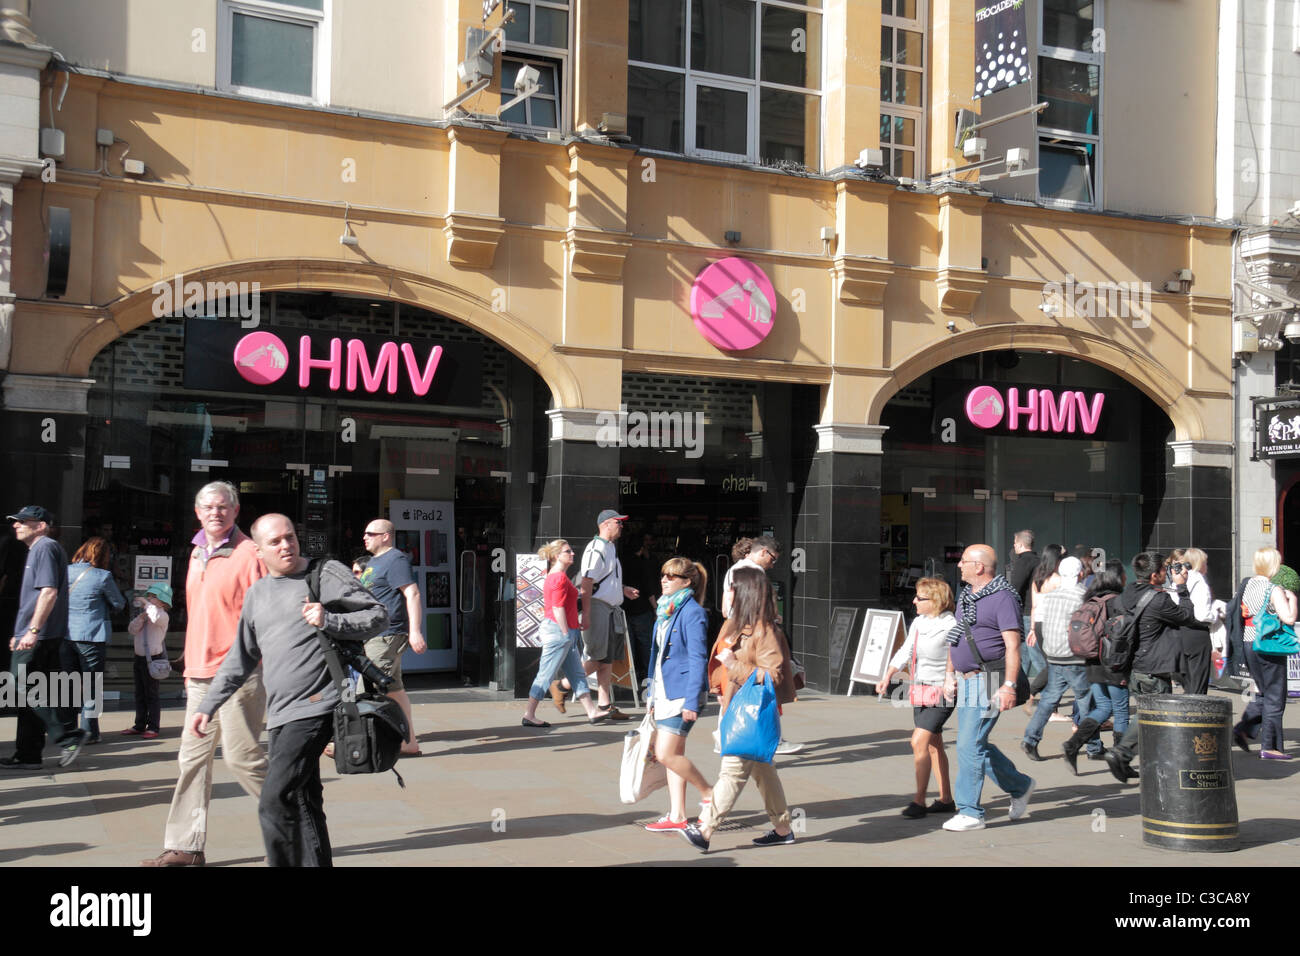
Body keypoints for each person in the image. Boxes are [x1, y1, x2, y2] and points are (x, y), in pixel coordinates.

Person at [189, 514, 390, 866]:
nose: (286, 545)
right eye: (275, 542)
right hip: (281, 714)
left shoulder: (322, 574)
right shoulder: (257, 594)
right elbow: (240, 659)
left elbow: (378, 615)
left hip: (318, 705)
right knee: (303, 800)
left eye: (290, 537)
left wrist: (331, 620)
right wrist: (208, 705)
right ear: (258, 551)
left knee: (274, 797)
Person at [142, 481, 267, 867]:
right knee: (191, 761)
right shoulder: (197, 552)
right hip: (199, 673)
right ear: (198, 513)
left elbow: (265, 616)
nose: (216, 512)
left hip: (238, 674)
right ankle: (185, 847)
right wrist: (188, 662)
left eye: (223, 506)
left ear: (236, 511)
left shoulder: (250, 554)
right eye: (208, 507)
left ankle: (297, 822)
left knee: (243, 759)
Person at [681, 566, 795, 852]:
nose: (728, 592)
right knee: (764, 772)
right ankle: (783, 829)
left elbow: (774, 675)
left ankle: (705, 829)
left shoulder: (764, 630)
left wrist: (735, 665)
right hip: (736, 707)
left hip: (752, 713)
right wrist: (720, 688)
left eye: (732, 588)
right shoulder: (736, 624)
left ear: (746, 592)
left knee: (731, 771)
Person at [941, 544, 1035, 832]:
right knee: (974, 743)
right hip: (968, 678)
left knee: (969, 743)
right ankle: (1019, 785)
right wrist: (949, 674)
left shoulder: (1003, 597)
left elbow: (1012, 646)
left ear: (979, 567)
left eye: (964, 561)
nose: (959, 565)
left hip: (989, 678)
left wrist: (1008, 684)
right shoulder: (968, 595)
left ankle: (970, 812)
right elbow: (956, 637)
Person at [1, 505, 86, 770]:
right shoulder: (39, 549)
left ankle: (68, 736)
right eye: (15, 521)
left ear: (41, 525)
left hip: (40, 634)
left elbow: (48, 592)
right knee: (32, 691)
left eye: (23, 521)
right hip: (43, 633)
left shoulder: (44, 547)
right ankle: (29, 754)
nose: (16, 525)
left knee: (20, 685)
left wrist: (31, 631)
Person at [1103, 551, 1199, 783]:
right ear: (1155, 574)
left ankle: (1131, 761)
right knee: (1153, 716)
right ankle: (1124, 753)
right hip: (1154, 667)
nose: (1167, 575)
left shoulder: (1127, 595)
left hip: (1135, 665)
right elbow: (1186, 615)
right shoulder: (1158, 599)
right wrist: (1182, 587)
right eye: (1163, 572)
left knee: (1148, 715)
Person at [875, 576, 957, 818]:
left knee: (918, 741)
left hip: (943, 691)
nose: (914, 601)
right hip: (921, 688)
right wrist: (888, 675)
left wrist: (951, 679)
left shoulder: (951, 625)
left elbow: (958, 658)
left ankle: (919, 801)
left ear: (936, 601)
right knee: (934, 744)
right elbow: (906, 650)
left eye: (920, 598)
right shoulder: (919, 623)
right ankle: (946, 799)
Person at [643, 556, 713, 833]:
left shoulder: (692, 612)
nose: (664, 580)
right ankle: (678, 815)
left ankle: (709, 794)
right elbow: (658, 655)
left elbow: (698, 658)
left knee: (665, 754)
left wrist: (691, 700)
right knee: (675, 755)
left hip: (681, 694)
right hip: (663, 691)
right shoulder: (665, 610)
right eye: (663, 575)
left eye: (671, 577)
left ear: (687, 582)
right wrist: (650, 695)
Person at [360, 519, 427, 755]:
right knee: (395, 690)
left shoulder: (395, 559)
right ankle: (409, 743)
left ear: (385, 536)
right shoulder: (375, 562)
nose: (364, 536)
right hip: (375, 634)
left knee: (371, 688)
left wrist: (415, 631)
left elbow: (412, 593)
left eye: (370, 533)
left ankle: (368, 742)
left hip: (386, 635)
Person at [521, 540, 603, 727]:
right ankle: (529, 714)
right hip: (560, 632)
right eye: (568, 551)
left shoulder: (557, 576)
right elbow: (557, 608)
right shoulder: (558, 577)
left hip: (564, 632)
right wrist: (566, 632)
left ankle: (592, 711)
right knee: (546, 674)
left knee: (576, 674)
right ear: (557, 555)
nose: (573, 553)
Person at [1230, 547, 1298, 759]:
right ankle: (1270, 746)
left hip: (1249, 643)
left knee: (1262, 691)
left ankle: (1244, 728)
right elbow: (1288, 618)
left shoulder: (1247, 584)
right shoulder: (1273, 589)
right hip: (1268, 645)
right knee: (1275, 697)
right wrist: (1293, 599)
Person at [1020, 556, 1090, 761]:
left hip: (1053, 653)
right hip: (1075, 655)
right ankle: (1092, 745)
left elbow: (1042, 620)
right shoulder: (1083, 595)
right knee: (1085, 699)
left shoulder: (1051, 596)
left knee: (1049, 699)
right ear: (1080, 574)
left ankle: (1030, 739)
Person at [1061, 559, 1128, 771]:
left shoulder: (1090, 599)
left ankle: (1072, 745)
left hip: (1092, 662)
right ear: (1117, 578)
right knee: (1120, 709)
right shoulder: (1117, 601)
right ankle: (1120, 759)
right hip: (1113, 664)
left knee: (1103, 707)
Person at [578, 509, 639, 720]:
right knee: (597, 656)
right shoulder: (596, 549)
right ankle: (563, 683)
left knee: (607, 659)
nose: (621, 526)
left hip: (609, 608)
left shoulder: (609, 547)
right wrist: (586, 614)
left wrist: (622, 589)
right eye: (618, 523)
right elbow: (586, 583)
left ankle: (604, 704)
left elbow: (603, 579)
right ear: (605, 524)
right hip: (597, 607)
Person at [66, 536, 126, 744]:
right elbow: (118, 603)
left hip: (66, 635)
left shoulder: (65, 571)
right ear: (104, 557)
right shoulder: (102, 576)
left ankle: (69, 730)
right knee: (92, 685)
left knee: (69, 684)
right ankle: (89, 732)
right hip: (91, 635)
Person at [1167, 548, 1216, 695]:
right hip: (1197, 634)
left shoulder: (1177, 580)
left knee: (1188, 682)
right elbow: (1202, 614)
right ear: (1200, 563)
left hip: (1179, 633)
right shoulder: (1199, 581)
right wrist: (1215, 615)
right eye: (1205, 562)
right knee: (1198, 684)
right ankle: (1196, 714)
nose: (1207, 566)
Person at [125, 582, 172, 738]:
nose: (149, 599)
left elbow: (156, 616)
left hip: (153, 659)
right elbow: (132, 629)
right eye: (149, 596)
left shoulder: (162, 616)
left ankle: (153, 726)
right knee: (139, 693)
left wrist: (146, 604)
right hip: (139, 658)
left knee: (152, 694)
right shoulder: (147, 614)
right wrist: (140, 617)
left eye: (153, 597)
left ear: (162, 601)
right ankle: (139, 724)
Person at [620, 532, 658, 686]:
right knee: (647, 646)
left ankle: (630, 679)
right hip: (642, 609)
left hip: (625, 610)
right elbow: (649, 588)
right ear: (641, 548)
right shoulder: (642, 564)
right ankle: (649, 678)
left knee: (629, 647)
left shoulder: (621, 562)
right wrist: (655, 608)